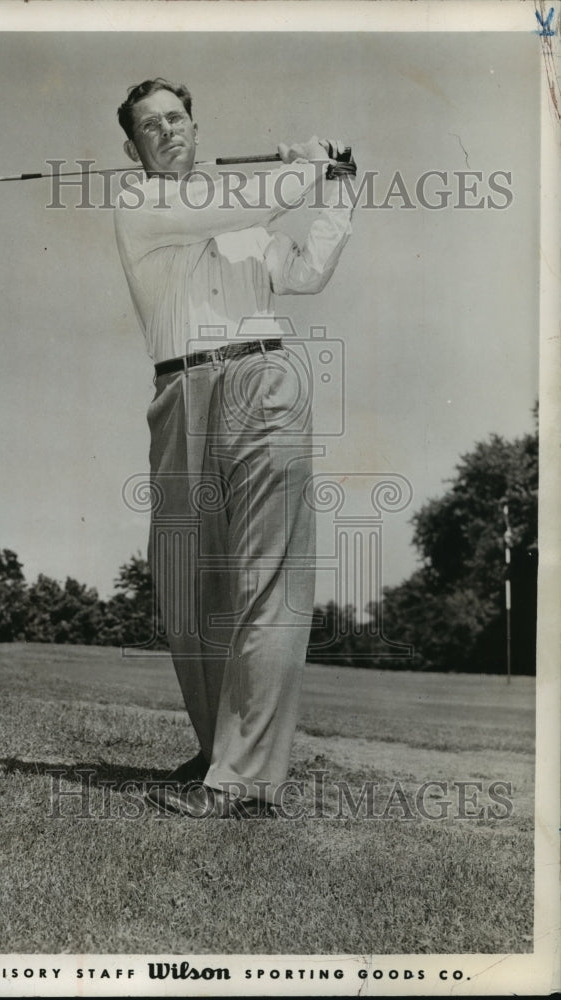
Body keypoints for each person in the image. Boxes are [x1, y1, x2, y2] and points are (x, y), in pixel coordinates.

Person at [113, 78, 355, 818]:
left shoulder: (245, 218)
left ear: (194, 124)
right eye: (149, 126)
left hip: (265, 378)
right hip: (179, 391)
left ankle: (242, 777)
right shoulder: (138, 205)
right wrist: (305, 167)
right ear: (133, 147)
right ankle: (219, 747)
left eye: (175, 117)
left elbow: (307, 272)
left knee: (265, 581)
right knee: (186, 587)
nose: (166, 131)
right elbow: (244, 200)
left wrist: (337, 185)